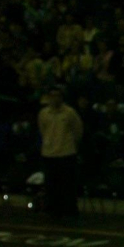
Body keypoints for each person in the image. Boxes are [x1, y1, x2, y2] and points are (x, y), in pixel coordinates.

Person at [38, 87, 83, 222]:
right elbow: (42, 129)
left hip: (66, 152)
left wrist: (71, 145)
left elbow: (78, 130)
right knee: (51, 185)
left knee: (67, 184)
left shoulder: (69, 113)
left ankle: (69, 211)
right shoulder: (44, 113)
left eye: (58, 96)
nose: (55, 99)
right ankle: (53, 210)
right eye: (52, 96)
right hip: (49, 153)